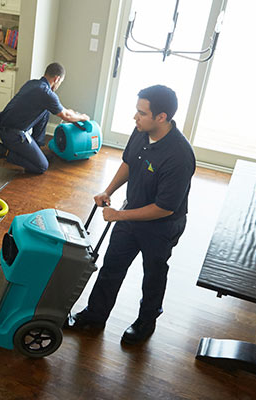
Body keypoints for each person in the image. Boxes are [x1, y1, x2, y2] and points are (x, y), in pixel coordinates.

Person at [65, 84, 195, 344]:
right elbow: (129, 162)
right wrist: (108, 190)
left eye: (141, 113)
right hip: (129, 212)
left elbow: (164, 207)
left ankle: (146, 322)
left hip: (162, 226)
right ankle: (95, 315)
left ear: (161, 117)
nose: (135, 117)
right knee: (111, 266)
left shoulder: (179, 156)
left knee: (153, 276)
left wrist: (119, 216)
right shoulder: (141, 131)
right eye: (136, 111)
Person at [0, 62, 89, 173]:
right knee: (41, 167)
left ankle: (36, 148)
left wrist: (75, 115)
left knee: (46, 111)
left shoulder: (33, 84)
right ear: (56, 79)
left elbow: (63, 110)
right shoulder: (46, 94)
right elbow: (66, 115)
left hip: (6, 127)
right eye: (60, 82)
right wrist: (82, 118)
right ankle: (2, 152)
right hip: (13, 134)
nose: (59, 85)